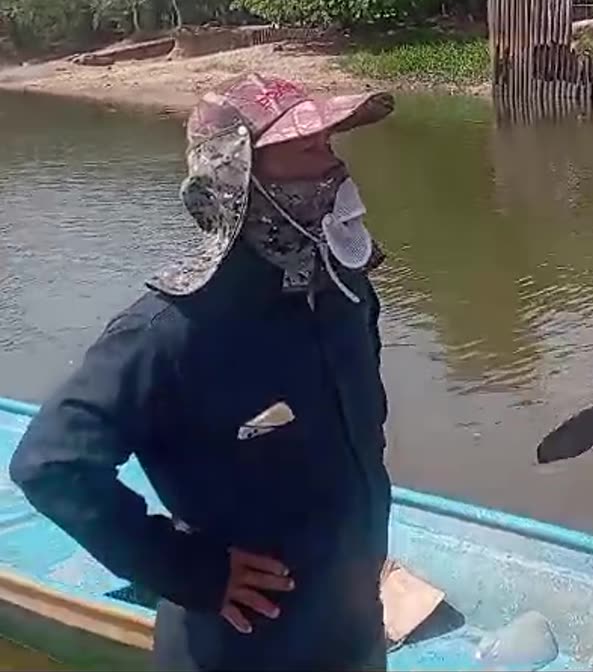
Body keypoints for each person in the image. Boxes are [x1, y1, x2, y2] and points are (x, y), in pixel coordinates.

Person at [9, 73, 396, 671]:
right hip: (240, 646)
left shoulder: (345, 294)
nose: (335, 168)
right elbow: (52, 464)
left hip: (353, 629)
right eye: (307, 151)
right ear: (239, 179)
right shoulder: (169, 331)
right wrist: (190, 570)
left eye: (330, 146)